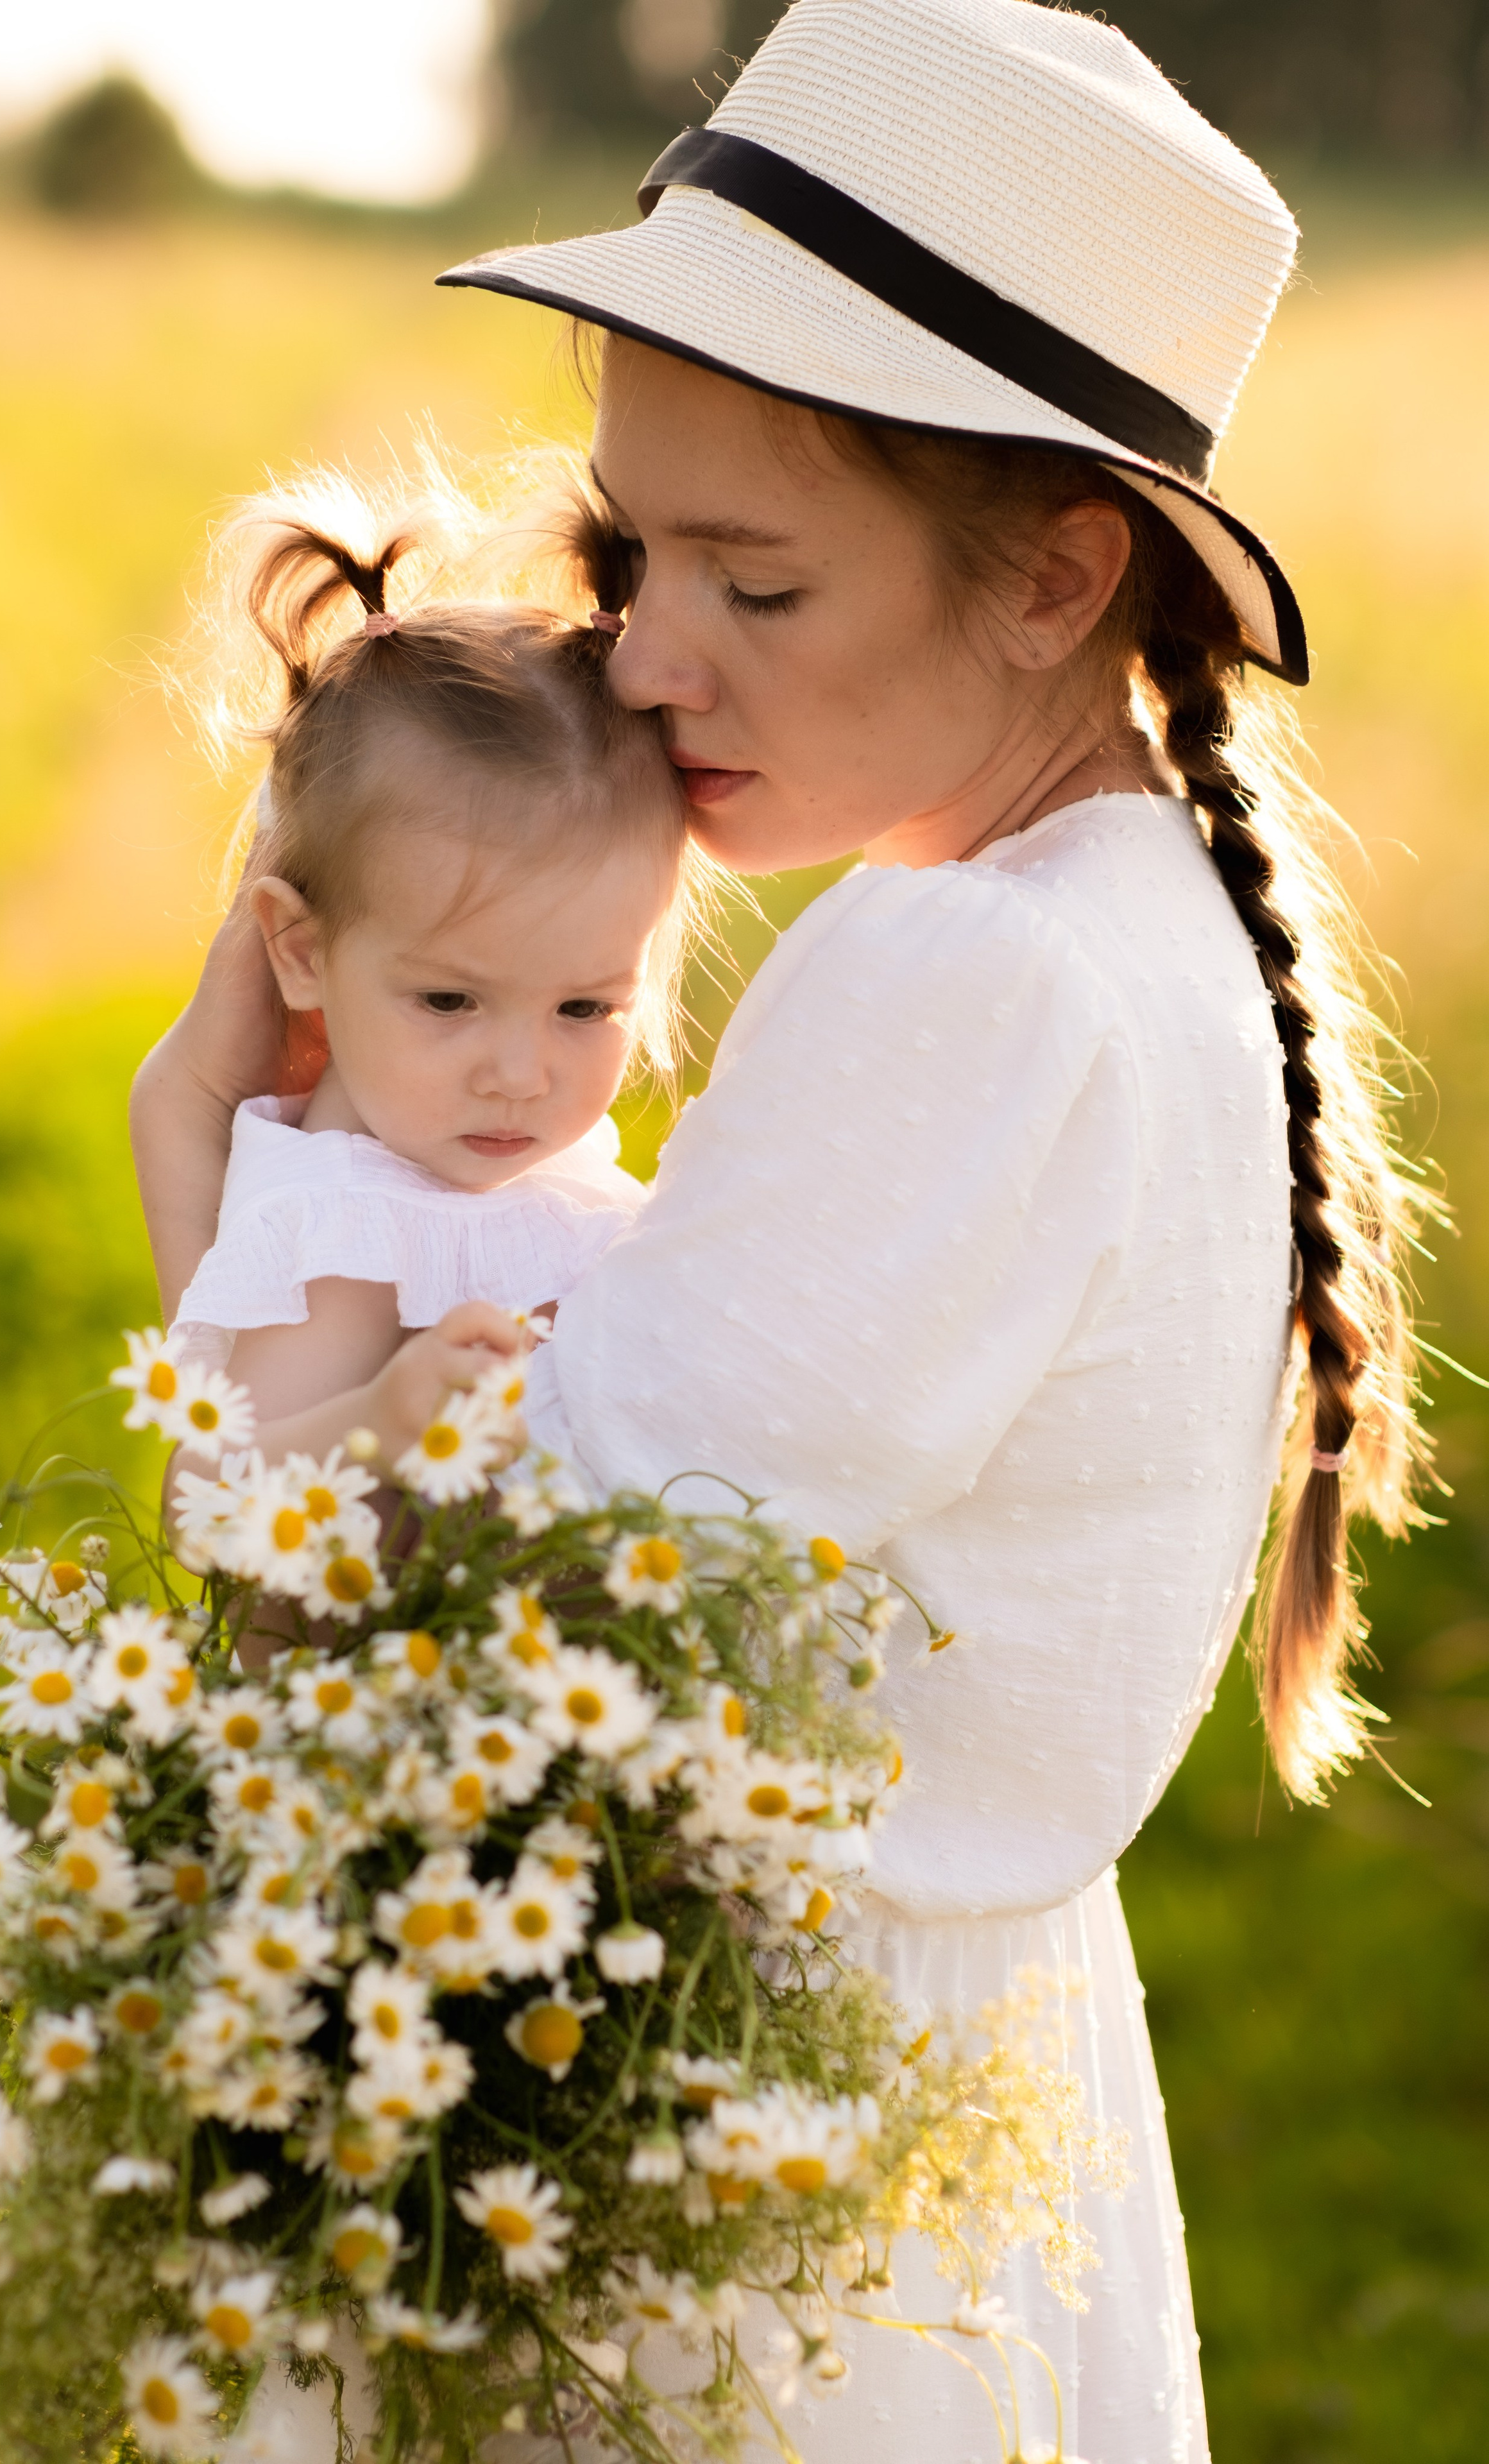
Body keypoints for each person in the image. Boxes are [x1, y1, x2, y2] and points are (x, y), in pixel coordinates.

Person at [130, 3, 1428, 2454]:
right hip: (916, 2092)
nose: (642, 653)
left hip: (732, 2160)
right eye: (634, 551)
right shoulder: (1130, 923)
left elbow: (426, 1584)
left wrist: (210, 1178)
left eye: (758, 580)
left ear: (1056, 577)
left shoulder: (965, 977)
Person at [162, 479, 689, 1478]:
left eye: (587, 1006)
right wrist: (381, 1417)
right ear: (303, 953)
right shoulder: (355, 1222)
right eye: (450, 1000)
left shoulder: (523, 1175)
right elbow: (202, 1505)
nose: (521, 1074)